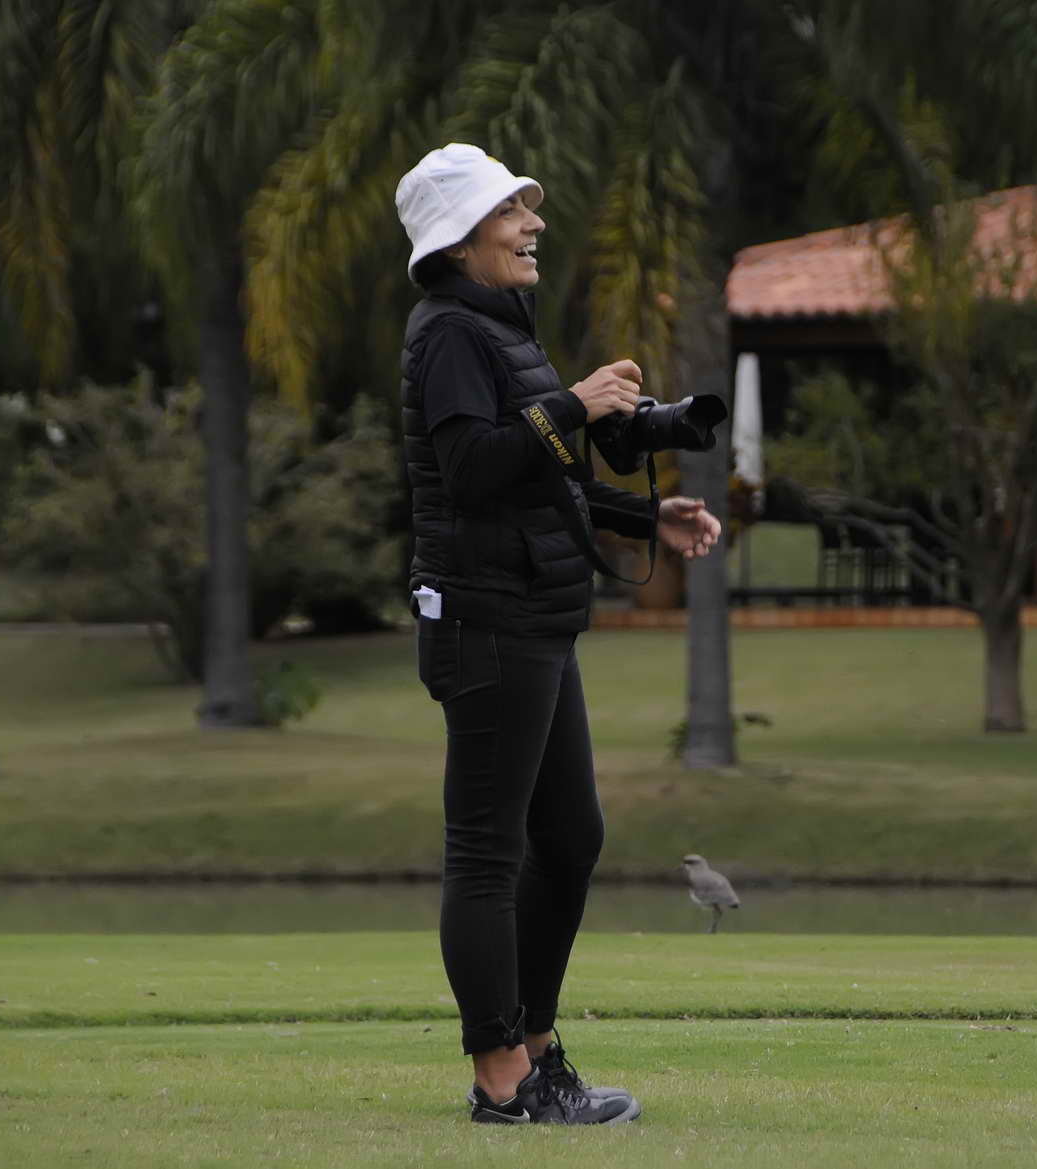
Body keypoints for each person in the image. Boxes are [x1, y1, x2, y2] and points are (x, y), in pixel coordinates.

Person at [394, 143, 721, 1127]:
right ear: (461, 237)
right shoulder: (448, 331)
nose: (534, 223)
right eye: (511, 211)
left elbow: (545, 480)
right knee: (487, 852)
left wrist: (645, 517)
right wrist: (573, 403)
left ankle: (536, 1048)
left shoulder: (501, 329)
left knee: (572, 837)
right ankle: (504, 1077)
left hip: (535, 611)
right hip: (484, 617)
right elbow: (472, 470)